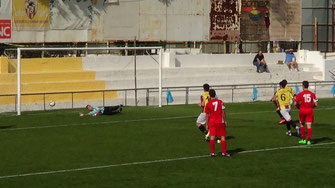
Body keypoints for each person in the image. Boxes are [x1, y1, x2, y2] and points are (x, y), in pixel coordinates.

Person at [204, 89, 230, 157]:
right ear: (215, 94)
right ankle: (224, 152)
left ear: (209, 95)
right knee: (222, 136)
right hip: (220, 121)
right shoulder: (220, 102)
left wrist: (206, 124)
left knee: (212, 136)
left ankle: (212, 153)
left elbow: (207, 115)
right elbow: (223, 112)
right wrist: (225, 120)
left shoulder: (208, 104)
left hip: (212, 122)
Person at [294, 81, 318, 145]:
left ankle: (303, 139)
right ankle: (309, 141)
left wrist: (298, 107)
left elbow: (295, 103)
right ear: (308, 86)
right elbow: (316, 104)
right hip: (310, 111)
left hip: (302, 110)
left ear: (303, 86)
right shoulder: (312, 94)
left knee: (302, 124)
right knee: (309, 126)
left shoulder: (300, 94)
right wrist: (311, 107)